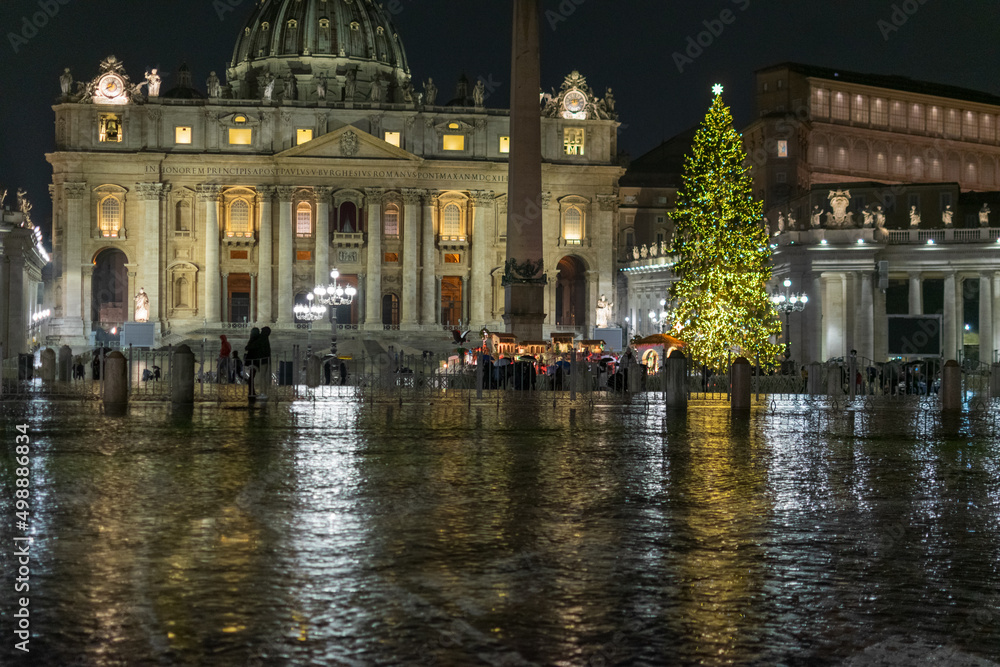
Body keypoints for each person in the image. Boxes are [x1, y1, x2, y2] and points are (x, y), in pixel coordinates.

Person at [245, 327, 262, 397]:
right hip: (254, 360)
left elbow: (247, 347)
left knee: (252, 376)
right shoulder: (257, 340)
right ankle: (251, 392)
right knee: (252, 376)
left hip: (251, 360)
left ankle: (252, 391)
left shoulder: (251, 340)